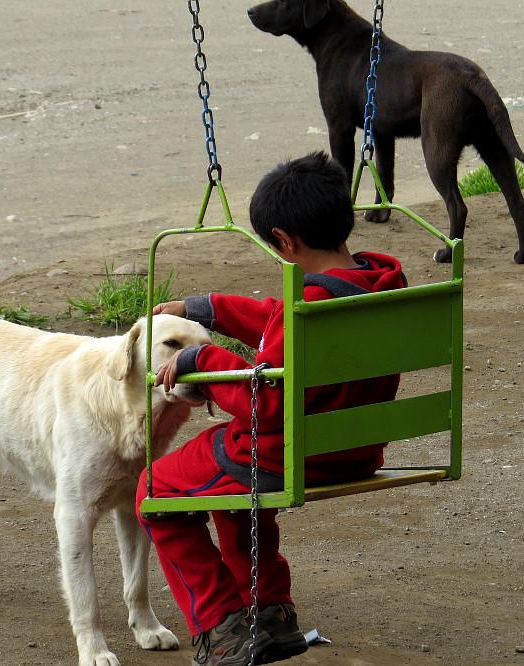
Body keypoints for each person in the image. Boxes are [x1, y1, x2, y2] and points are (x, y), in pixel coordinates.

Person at [136, 151, 407, 665]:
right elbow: (281, 316)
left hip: (287, 453)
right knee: (226, 490)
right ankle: (270, 614)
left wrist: (204, 358)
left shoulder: (306, 307)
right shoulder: (380, 285)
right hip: (354, 448)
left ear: (284, 241)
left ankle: (222, 627)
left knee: (155, 489)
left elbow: (264, 404)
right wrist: (209, 309)